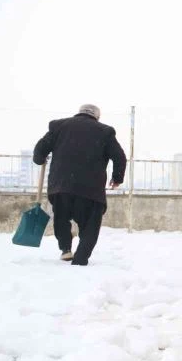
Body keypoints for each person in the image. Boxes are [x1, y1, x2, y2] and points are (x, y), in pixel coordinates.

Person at [33, 104, 127, 266]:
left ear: (79, 113)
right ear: (97, 117)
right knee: (90, 224)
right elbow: (119, 157)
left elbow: (40, 148)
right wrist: (117, 178)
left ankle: (65, 249)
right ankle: (81, 257)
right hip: (90, 189)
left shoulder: (59, 126)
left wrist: (40, 159)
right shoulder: (105, 131)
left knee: (61, 218)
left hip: (62, 186)